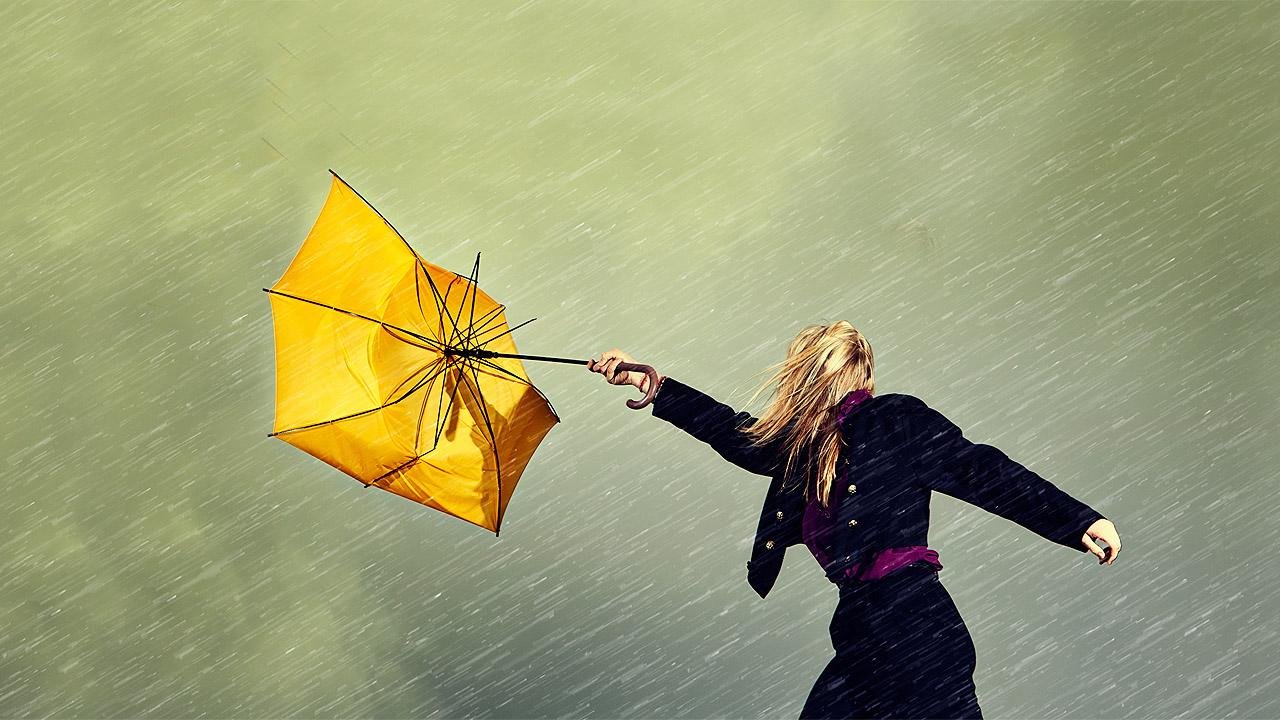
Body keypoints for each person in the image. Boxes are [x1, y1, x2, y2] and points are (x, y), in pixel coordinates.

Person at [586, 321, 1121, 719]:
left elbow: (982, 469)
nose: (789, 386)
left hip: (914, 623)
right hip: (862, 628)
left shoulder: (896, 420)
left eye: (799, 372)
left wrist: (1076, 521)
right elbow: (739, 436)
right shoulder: (807, 448)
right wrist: (655, 385)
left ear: (819, 375)